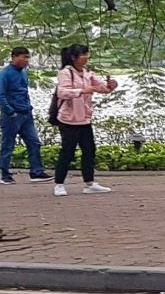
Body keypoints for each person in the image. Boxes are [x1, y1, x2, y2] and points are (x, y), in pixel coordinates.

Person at [52, 43, 117, 196]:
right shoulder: (66, 72)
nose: (86, 58)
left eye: (87, 54)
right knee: (67, 151)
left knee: (89, 150)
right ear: (74, 57)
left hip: (84, 119)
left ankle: (89, 183)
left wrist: (111, 85)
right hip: (69, 119)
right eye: (83, 55)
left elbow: (102, 88)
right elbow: (62, 92)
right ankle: (59, 184)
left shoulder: (88, 73)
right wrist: (81, 91)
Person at [1, 46, 49, 185]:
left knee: (34, 142)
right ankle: (5, 174)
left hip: (26, 113)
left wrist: (28, 108)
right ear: (14, 57)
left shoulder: (23, 73)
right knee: (8, 145)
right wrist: (10, 111)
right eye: (23, 57)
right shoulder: (5, 74)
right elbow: (1, 95)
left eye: (28, 57)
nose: (26, 60)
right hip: (12, 115)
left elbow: (24, 92)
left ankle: (36, 172)